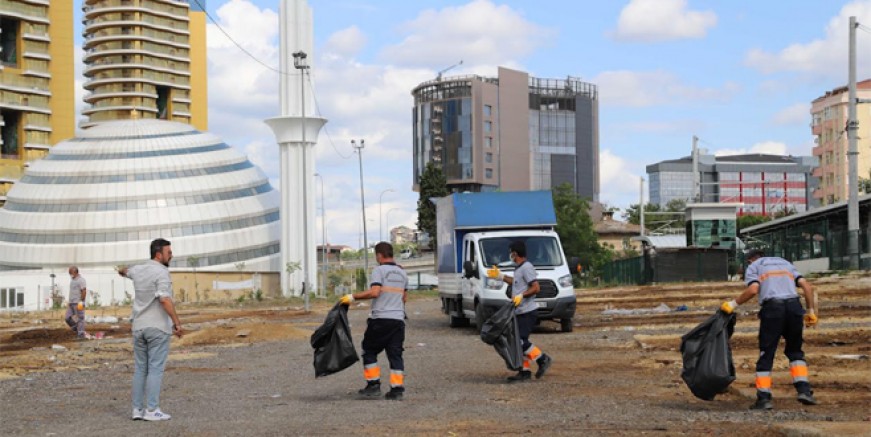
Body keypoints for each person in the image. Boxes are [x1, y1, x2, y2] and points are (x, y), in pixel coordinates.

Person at [720, 248, 819, 410]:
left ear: (750, 260)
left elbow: (753, 290)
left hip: (773, 310)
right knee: (795, 351)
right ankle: (804, 391)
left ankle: (764, 398)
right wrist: (811, 312)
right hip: (794, 308)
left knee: (766, 353)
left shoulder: (754, 267)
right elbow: (807, 287)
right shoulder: (785, 263)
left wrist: (733, 304)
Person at [117, 238, 184, 421]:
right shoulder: (161, 272)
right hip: (157, 327)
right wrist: (177, 323)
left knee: (140, 369)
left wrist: (122, 271)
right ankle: (152, 410)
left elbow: (124, 271)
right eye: (169, 252)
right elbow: (164, 299)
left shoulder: (138, 270)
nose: (171, 255)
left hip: (139, 327)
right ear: (159, 254)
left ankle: (137, 409)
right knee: (155, 370)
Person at [340, 242, 408, 400]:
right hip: (398, 320)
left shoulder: (379, 270)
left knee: (369, 350)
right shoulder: (402, 272)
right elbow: (404, 298)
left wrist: (352, 297)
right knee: (395, 354)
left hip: (381, 319)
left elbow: (375, 292)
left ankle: (373, 385)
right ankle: (397, 390)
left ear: (379, 255)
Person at [487, 240, 553, 382]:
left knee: (520, 342)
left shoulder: (527, 267)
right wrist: (500, 276)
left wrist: (522, 295)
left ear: (515, 253)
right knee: (518, 342)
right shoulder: (519, 268)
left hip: (527, 312)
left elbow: (536, 287)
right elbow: (517, 283)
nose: (510, 255)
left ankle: (542, 358)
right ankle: (524, 371)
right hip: (519, 311)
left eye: (511, 252)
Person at [65, 266, 88, 339]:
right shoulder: (72, 280)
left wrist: (81, 301)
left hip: (78, 303)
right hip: (71, 303)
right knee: (67, 318)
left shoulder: (81, 280)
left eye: (70, 273)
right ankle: (76, 328)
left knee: (80, 318)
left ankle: (81, 335)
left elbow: (84, 291)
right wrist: (69, 302)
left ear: (75, 272)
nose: (70, 274)